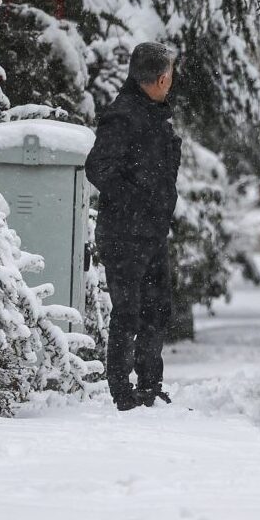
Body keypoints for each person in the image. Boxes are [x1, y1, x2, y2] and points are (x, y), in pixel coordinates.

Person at [85, 42, 182, 411]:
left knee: (157, 308)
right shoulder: (122, 116)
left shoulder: (155, 116)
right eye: (169, 76)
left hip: (153, 233)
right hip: (125, 233)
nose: (170, 83)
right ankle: (121, 390)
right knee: (128, 311)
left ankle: (149, 384)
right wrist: (138, 203)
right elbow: (99, 168)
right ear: (160, 79)